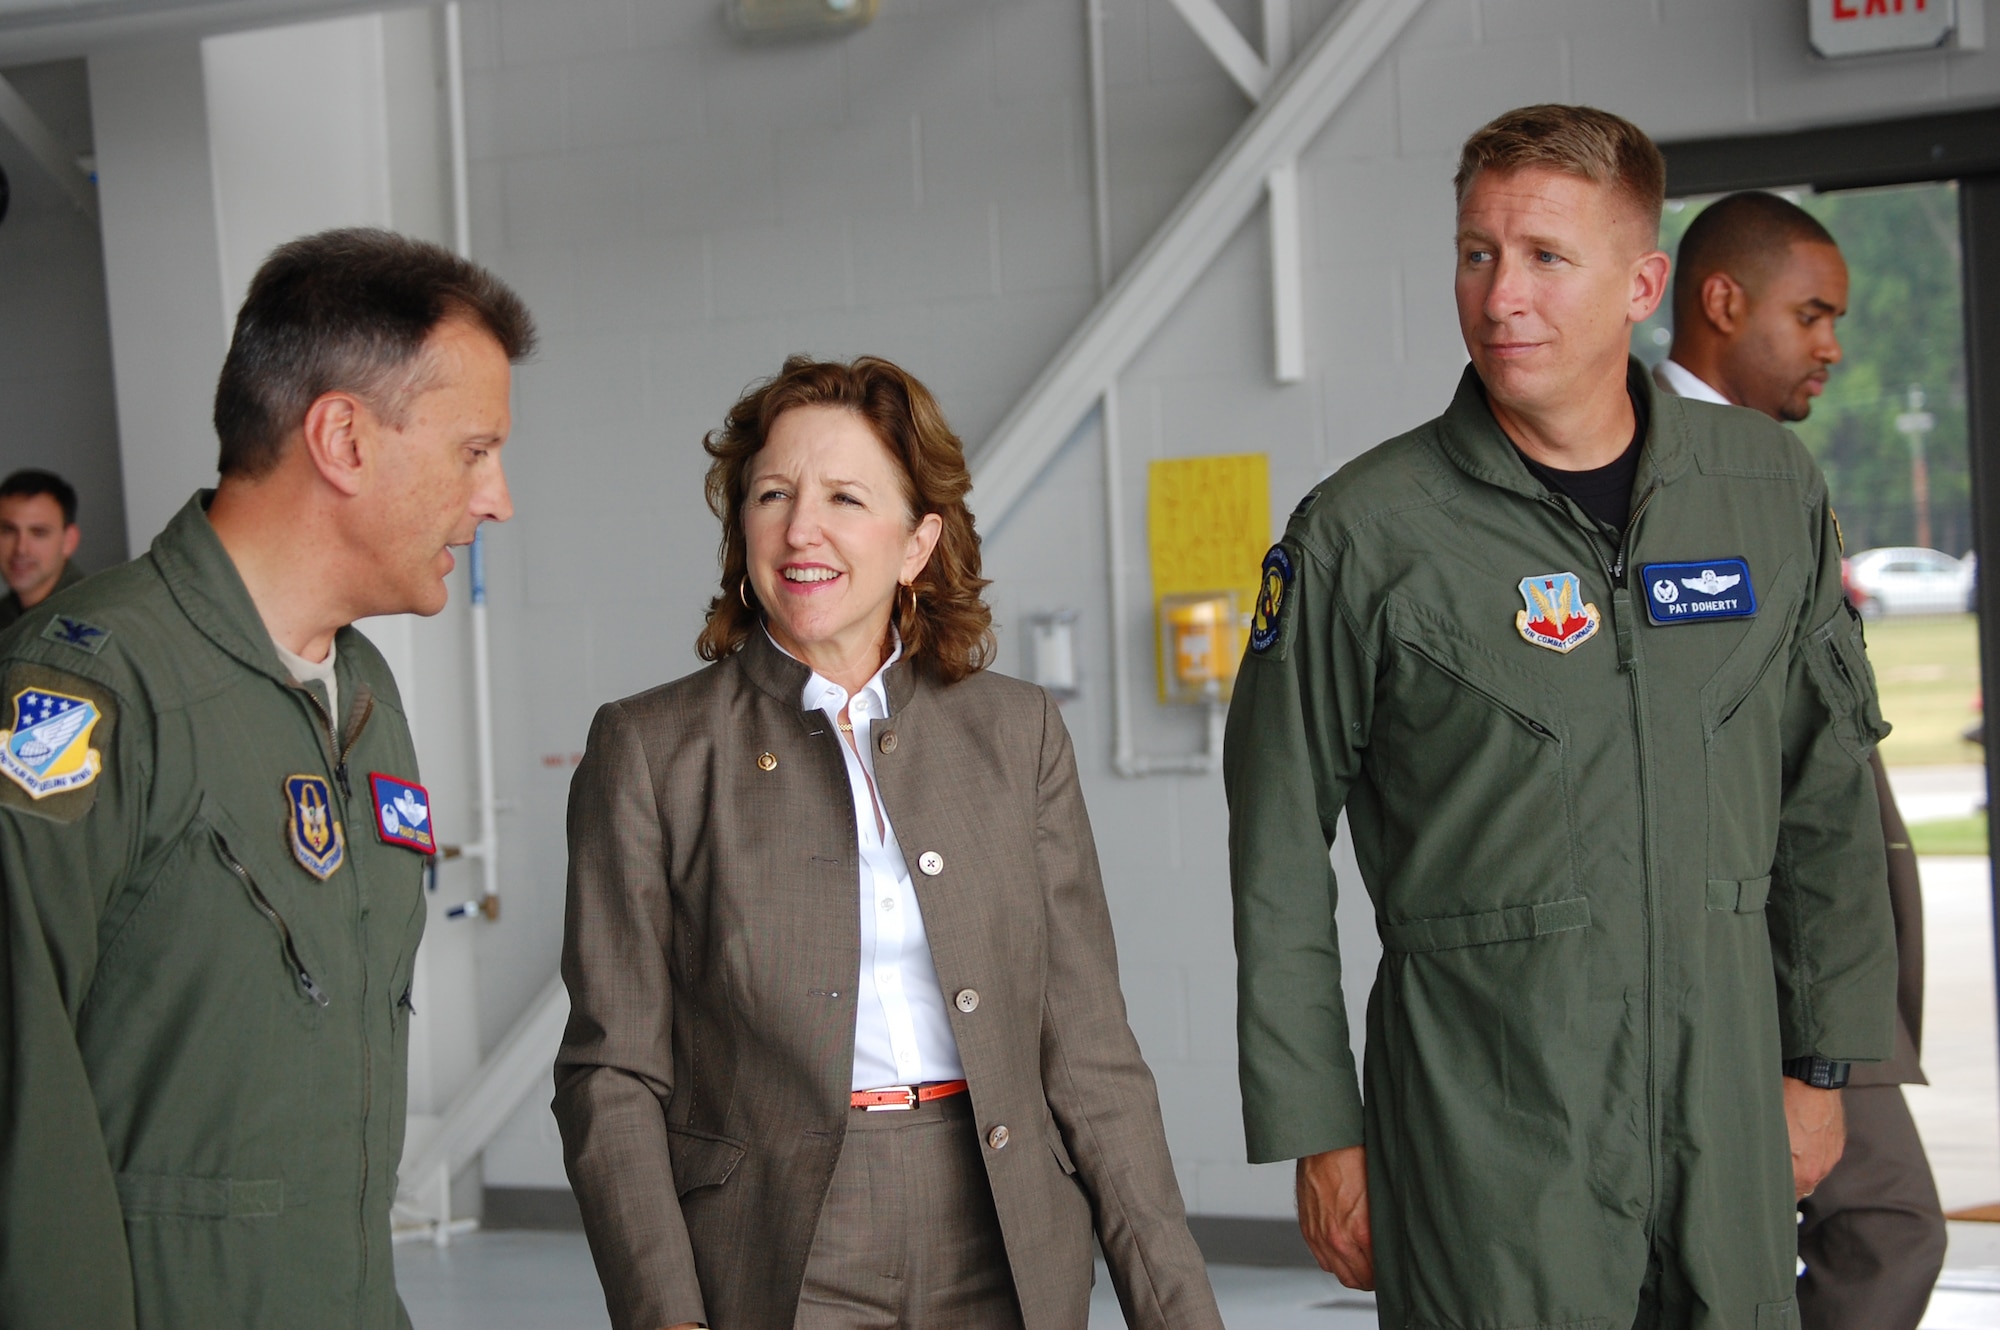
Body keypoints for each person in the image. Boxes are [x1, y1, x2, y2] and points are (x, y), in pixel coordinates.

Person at [1225, 104, 1899, 1329]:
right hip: (1486, 1131)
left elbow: (1822, 800)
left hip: (1723, 1110)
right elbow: (1273, 845)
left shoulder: (1761, 492)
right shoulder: (1363, 535)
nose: (1498, 297)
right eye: (1476, 253)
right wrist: (1320, 1131)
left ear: (1642, 281)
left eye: (1544, 257)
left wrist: (1822, 1062)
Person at [555, 355, 1221, 1330]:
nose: (798, 528)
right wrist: (665, 1312)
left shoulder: (1014, 731)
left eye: (843, 497)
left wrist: (1176, 1310)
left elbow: (1087, 1049)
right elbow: (611, 1074)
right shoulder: (650, 750)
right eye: (770, 493)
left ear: (916, 543)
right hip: (778, 1240)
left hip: (1000, 1221)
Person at [0, 228, 533, 1329]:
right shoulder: (83, 692)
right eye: (472, 450)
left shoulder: (363, 693)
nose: (497, 500)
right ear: (341, 436)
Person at [1657, 189, 1947, 1330]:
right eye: (1811, 313)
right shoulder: (1647, 466)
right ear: (1721, 302)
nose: (1831, 345)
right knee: (1883, 1222)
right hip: (1745, 937)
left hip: (1812, 936)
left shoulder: (1773, 476)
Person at [0, 468, 84, 630]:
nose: (21, 549)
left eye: (38, 533)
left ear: (69, 541)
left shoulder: (95, 614)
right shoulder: (5, 616)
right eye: (8, 531)